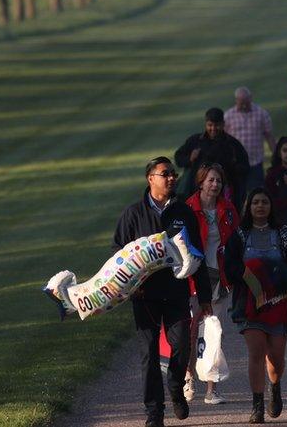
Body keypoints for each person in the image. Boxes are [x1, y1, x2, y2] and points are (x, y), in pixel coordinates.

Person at [113, 157, 213, 427]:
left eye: (173, 173)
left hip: (176, 291)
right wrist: (119, 290)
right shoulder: (133, 214)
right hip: (144, 295)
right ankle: (154, 412)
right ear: (150, 178)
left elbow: (197, 254)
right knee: (149, 354)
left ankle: (176, 386)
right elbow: (117, 255)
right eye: (165, 173)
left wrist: (204, 296)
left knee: (181, 346)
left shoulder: (183, 213)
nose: (171, 178)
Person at [224, 188, 287, 423]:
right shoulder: (239, 236)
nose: (260, 206)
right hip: (249, 304)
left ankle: (275, 386)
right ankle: (257, 405)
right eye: (256, 202)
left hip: (279, 304)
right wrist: (250, 275)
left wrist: (275, 276)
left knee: (276, 357)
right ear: (248, 207)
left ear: (271, 207)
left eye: (264, 202)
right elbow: (230, 267)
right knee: (256, 352)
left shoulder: (285, 234)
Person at [184, 163, 240, 404]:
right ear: (201, 183)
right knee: (190, 330)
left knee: (214, 331)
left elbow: (237, 242)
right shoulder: (187, 208)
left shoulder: (227, 210)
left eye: (218, 181)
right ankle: (188, 377)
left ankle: (211, 388)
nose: (215, 185)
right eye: (211, 180)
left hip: (219, 276)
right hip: (193, 276)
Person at [175, 108, 251, 207]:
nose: (213, 129)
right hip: (195, 194)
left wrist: (230, 167)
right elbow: (178, 158)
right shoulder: (195, 141)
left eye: (217, 125)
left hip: (224, 195)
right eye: (210, 125)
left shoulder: (232, 144)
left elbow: (245, 167)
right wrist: (190, 159)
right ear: (205, 124)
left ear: (223, 124)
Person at [226, 87, 276, 193]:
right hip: (236, 163)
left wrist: (276, 156)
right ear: (236, 100)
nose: (244, 105)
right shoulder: (228, 116)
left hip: (255, 162)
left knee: (257, 192)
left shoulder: (261, 114)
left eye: (246, 102)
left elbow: (269, 136)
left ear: (251, 98)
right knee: (238, 193)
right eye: (241, 102)